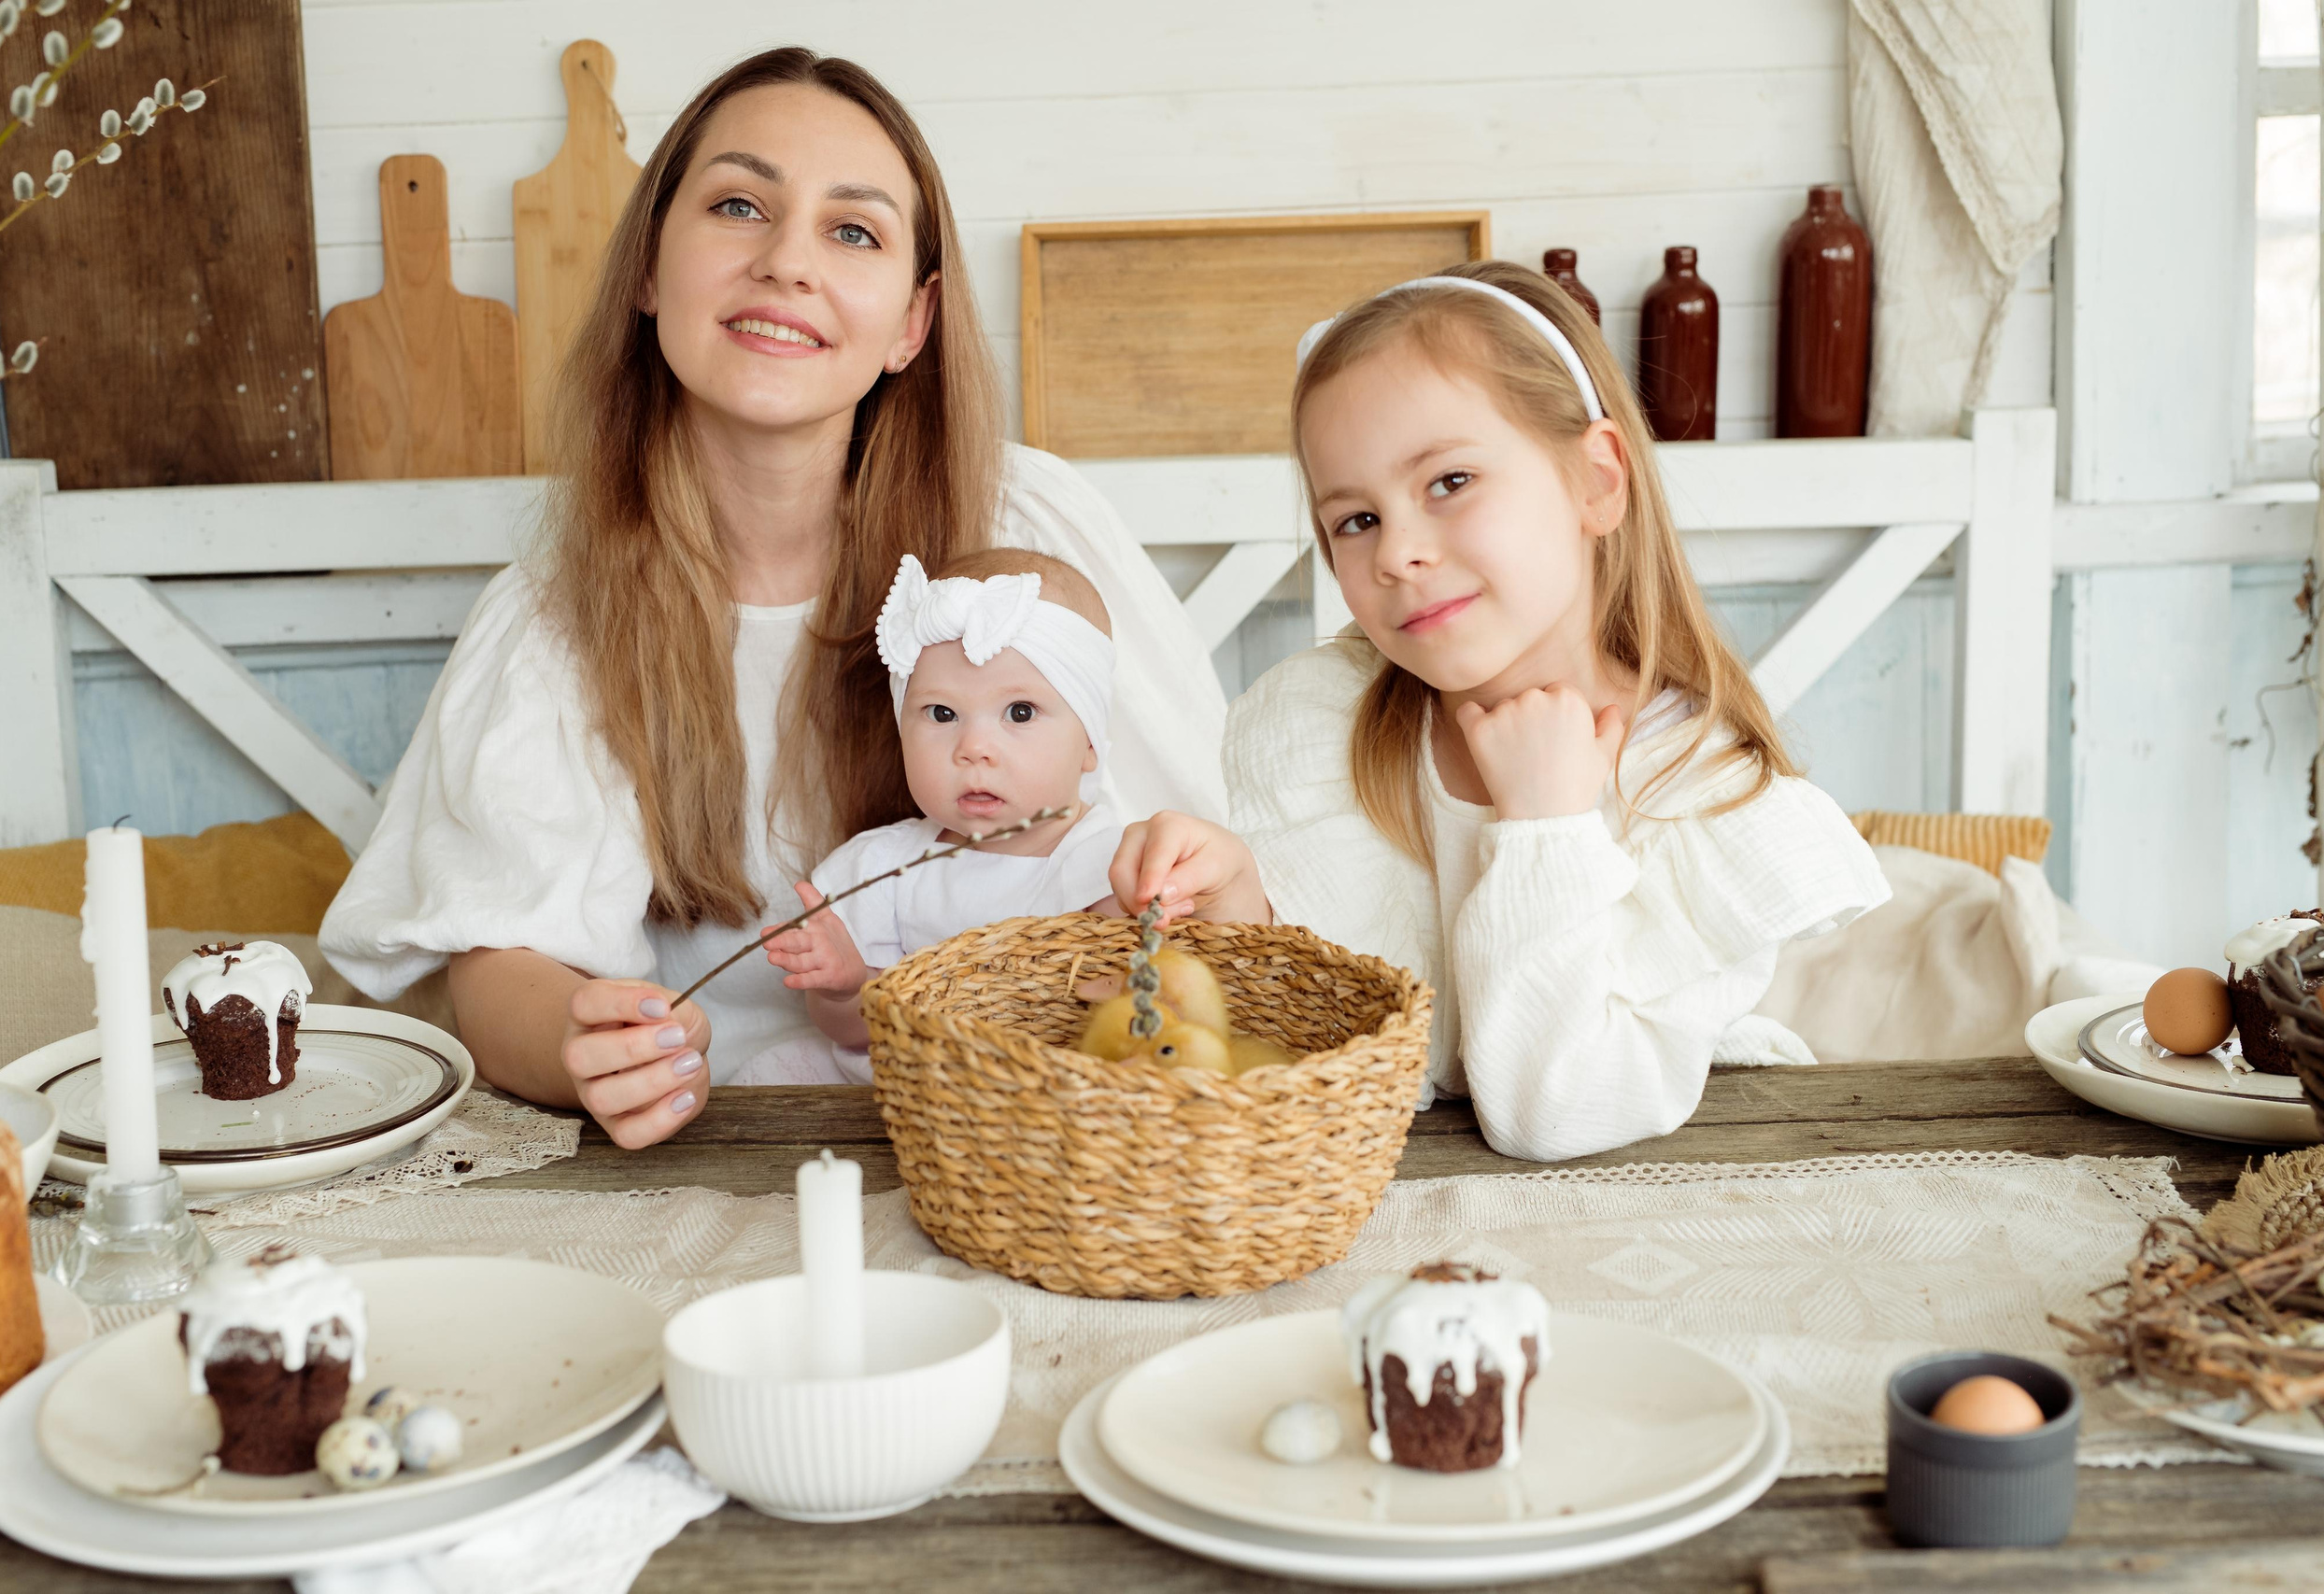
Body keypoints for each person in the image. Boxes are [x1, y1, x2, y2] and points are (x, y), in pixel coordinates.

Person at [319, 49, 1226, 1148]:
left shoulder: (1033, 539)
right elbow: (498, 962)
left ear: (912, 322)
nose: (787, 262)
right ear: (649, 270)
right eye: (739, 205)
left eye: (853, 232)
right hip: (722, 1145)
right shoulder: (563, 611)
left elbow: (1188, 888)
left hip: (1019, 1139)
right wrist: (581, 1042)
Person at [1112, 261, 1889, 1162]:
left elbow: (1547, 1114)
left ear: (1596, 482)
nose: (1398, 552)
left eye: (1449, 482)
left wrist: (1547, 830)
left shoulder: (1697, 795)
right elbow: (1336, 1056)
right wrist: (1236, 909)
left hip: (1659, 1200)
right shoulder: (1331, 725)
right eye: (1355, 520)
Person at [749, 549, 1126, 1082]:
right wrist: (845, 985)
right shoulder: (887, 867)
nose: (974, 748)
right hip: (907, 1107)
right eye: (942, 714)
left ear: (1088, 741)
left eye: (1019, 713)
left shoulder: (1109, 866)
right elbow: (854, 1033)